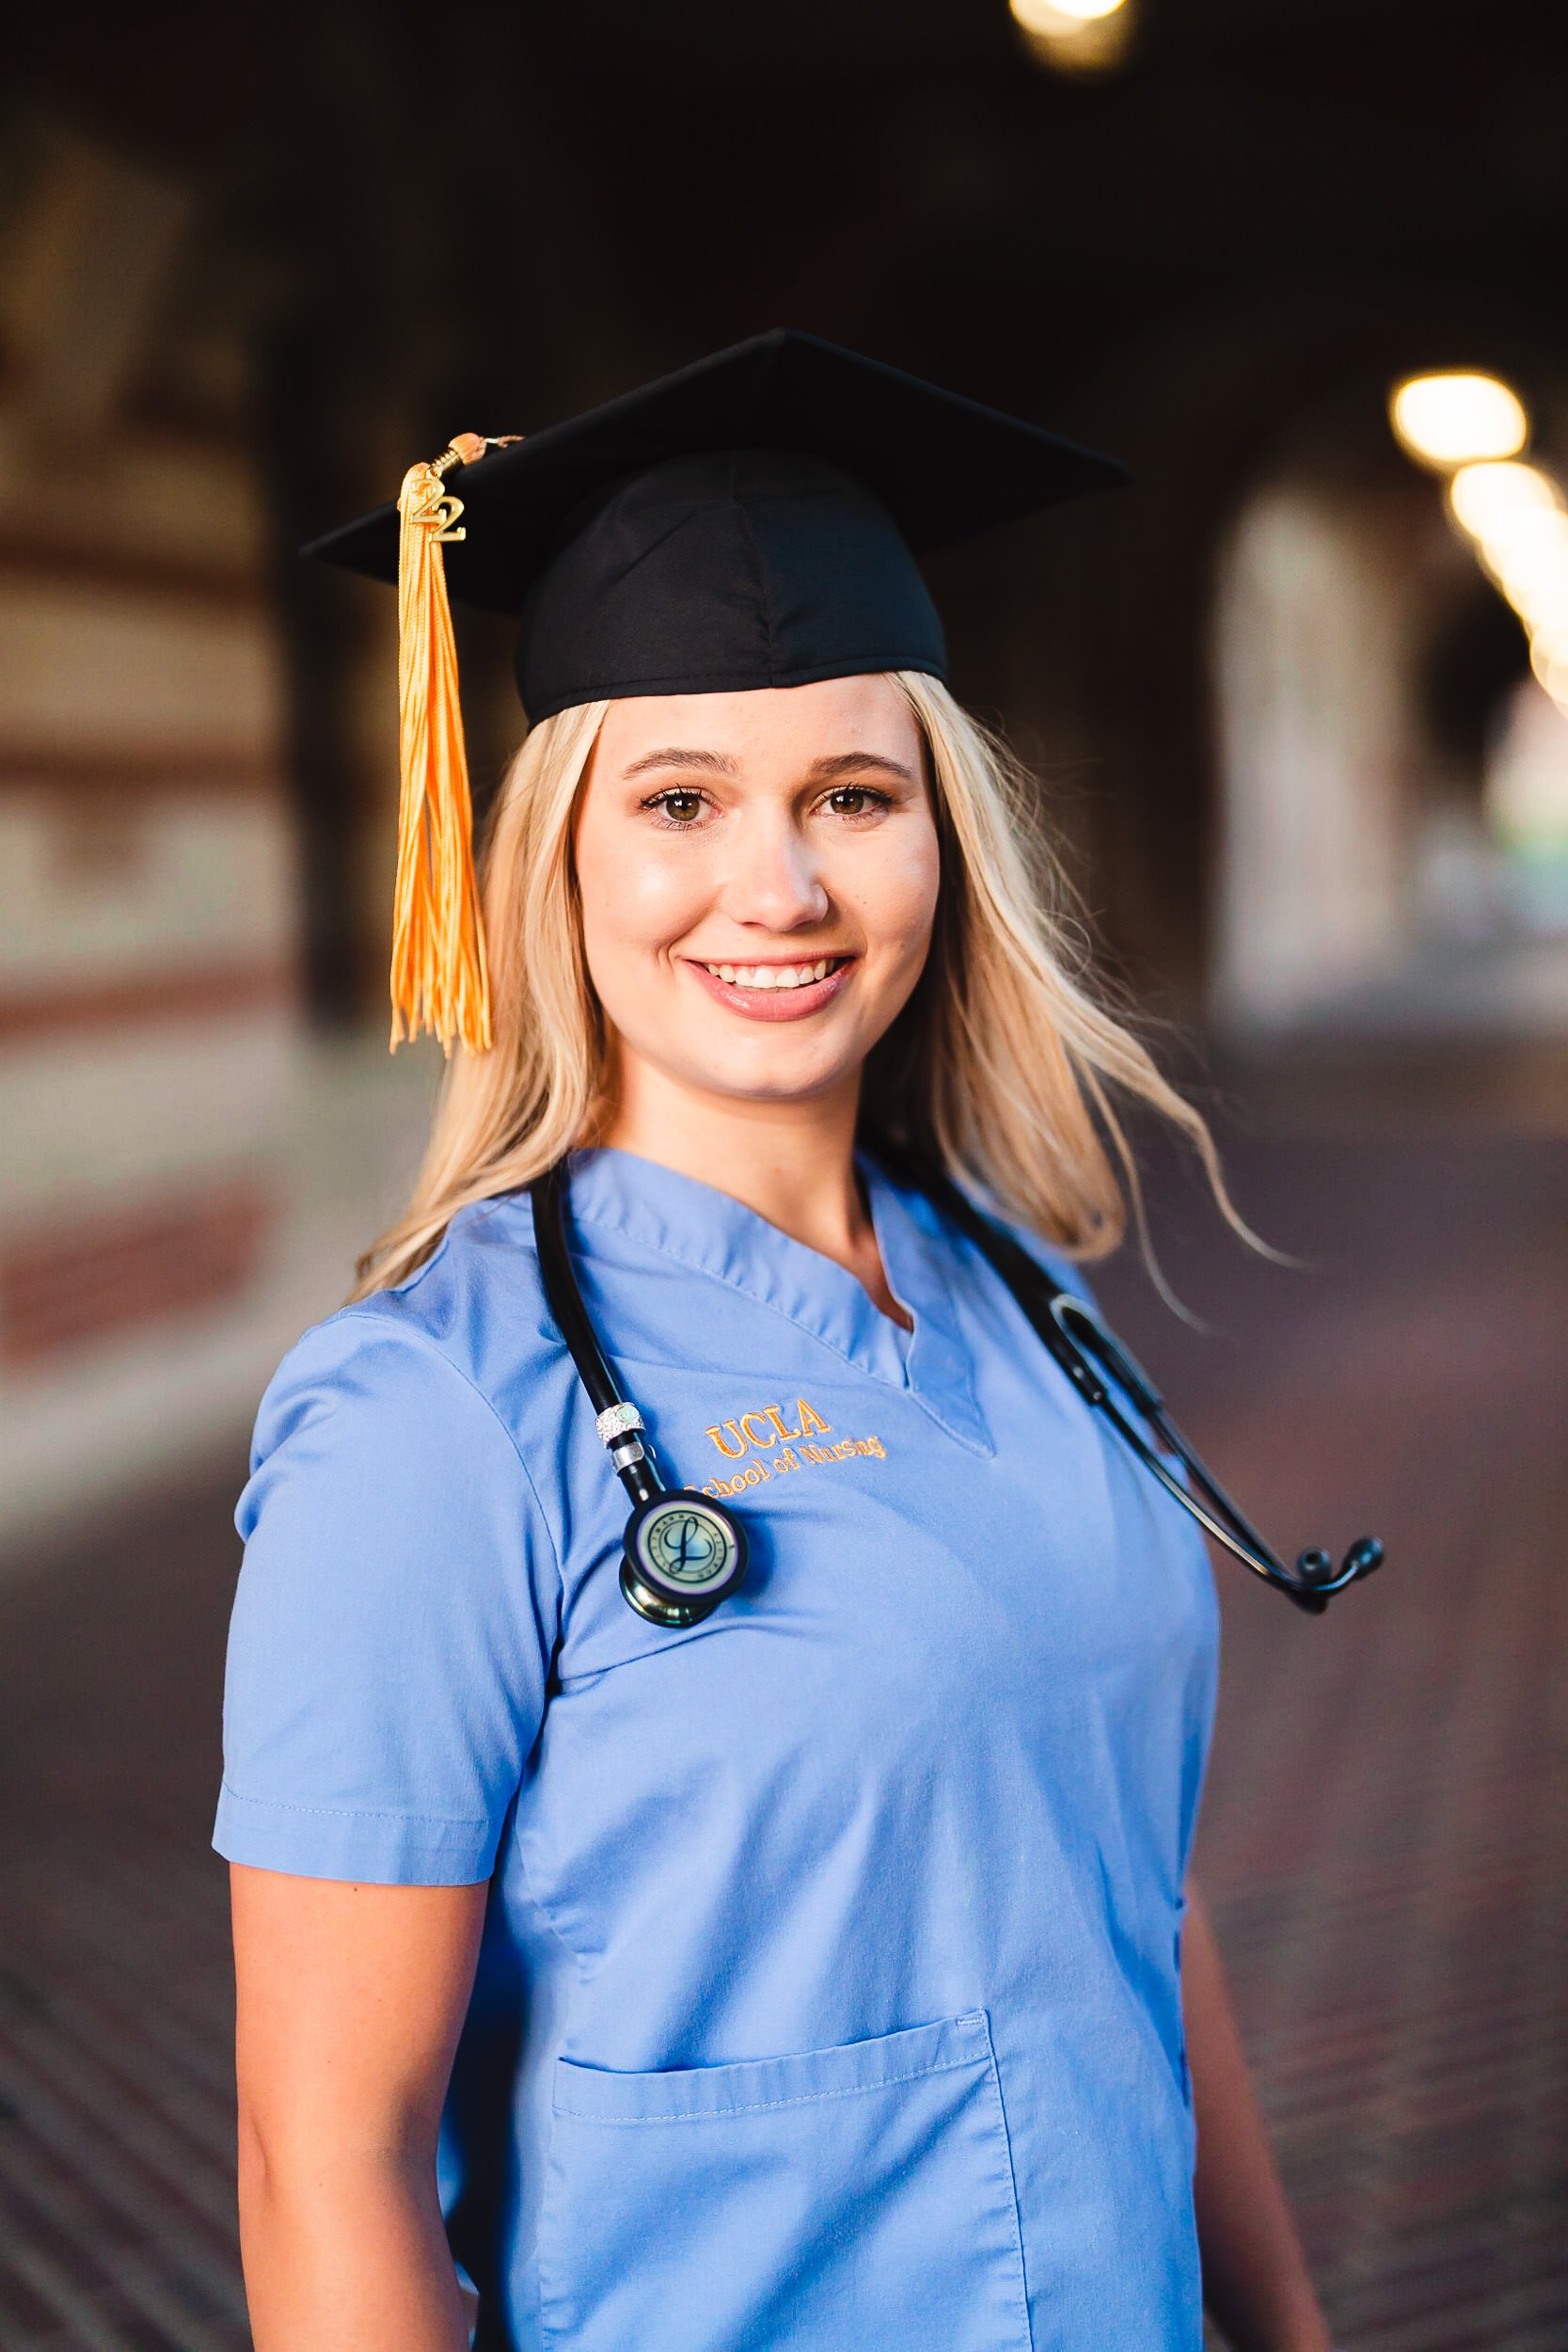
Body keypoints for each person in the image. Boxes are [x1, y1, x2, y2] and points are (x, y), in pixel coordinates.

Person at [215, 331, 1333, 2352]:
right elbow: (328, 2158)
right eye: (680, 798)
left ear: (944, 837)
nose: (784, 882)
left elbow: (1140, 1927)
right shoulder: (435, 1414)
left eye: (852, 791)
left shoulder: (1030, 1302)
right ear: (556, 849)